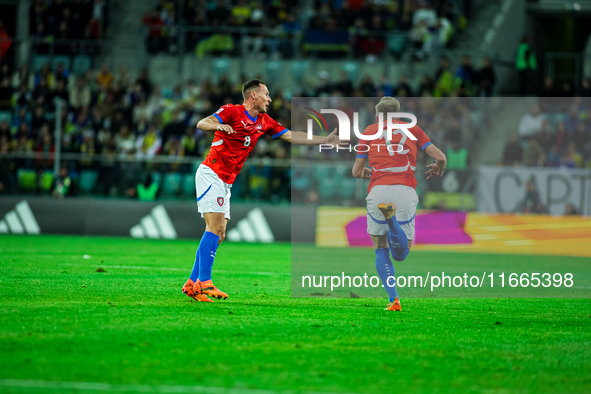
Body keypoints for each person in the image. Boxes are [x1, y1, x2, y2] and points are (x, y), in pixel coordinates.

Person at [182, 79, 344, 303]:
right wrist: (218, 126)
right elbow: (202, 123)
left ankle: (192, 282)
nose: (270, 99)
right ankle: (205, 283)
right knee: (215, 227)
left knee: (218, 234)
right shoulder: (231, 111)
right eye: (266, 94)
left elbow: (290, 136)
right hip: (212, 173)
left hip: (226, 180)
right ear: (253, 96)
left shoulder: (264, 121)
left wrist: (323, 140)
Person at [351, 97, 446, 312]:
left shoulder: (368, 130)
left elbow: (356, 172)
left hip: (378, 191)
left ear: (377, 117)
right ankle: (392, 222)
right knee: (401, 254)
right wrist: (440, 167)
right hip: (404, 191)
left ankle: (394, 300)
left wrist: (366, 173)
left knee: (379, 249)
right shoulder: (412, 128)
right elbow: (440, 156)